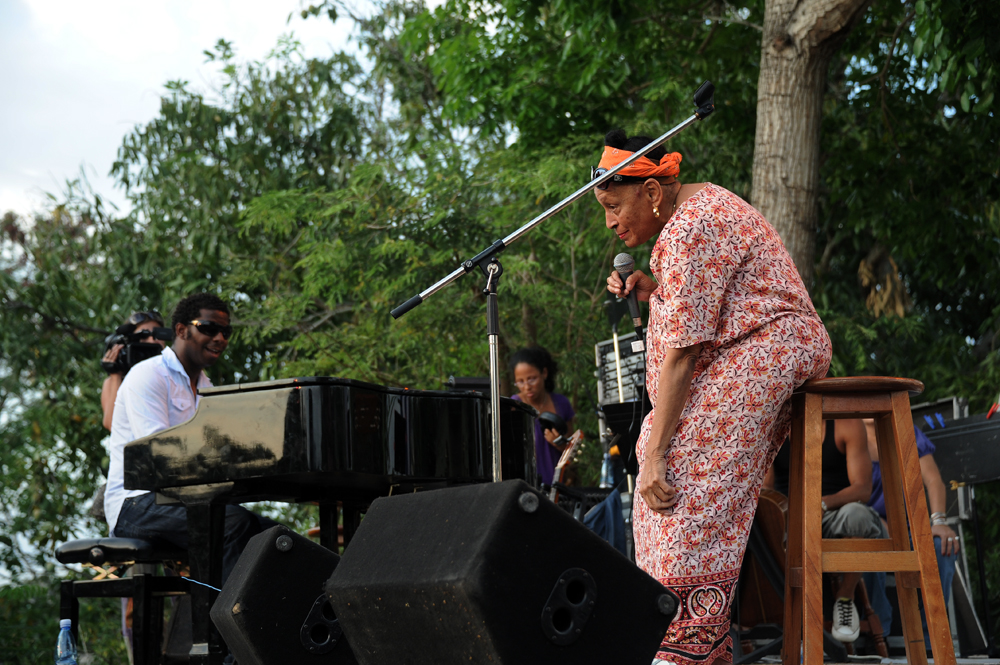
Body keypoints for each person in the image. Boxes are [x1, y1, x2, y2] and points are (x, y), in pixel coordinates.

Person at [599, 129, 831, 665]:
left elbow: (683, 354)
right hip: (753, 343)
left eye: (613, 207)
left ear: (651, 192)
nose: (610, 222)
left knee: (682, 463)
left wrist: (657, 452)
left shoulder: (691, 227)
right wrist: (657, 293)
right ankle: (682, 639)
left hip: (774, 344)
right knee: (659, 451)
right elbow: (720, 302)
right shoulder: (690, 216)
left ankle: (686, 642)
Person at [104, 292, 277, 584]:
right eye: (209, 328)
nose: (220, 338)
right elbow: (160, 456)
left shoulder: (208, 389)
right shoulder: (148, 375)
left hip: (188, 500)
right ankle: (226, 614)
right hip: (135, 504)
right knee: (234, 524)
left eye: (226, 332)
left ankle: (261, 613)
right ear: (181, 330)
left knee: (273, 536)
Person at [765, 418, 885, 643]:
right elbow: (765, 488)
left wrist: (820, 504)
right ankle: (746, 617)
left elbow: (862, 488)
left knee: (859, 515)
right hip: (788, 516)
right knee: (755, 523)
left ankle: (845, 598)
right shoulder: (772, 425)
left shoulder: (847, 424)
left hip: (834, 513)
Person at [861, 419, 958, 645]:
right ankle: (877, 634)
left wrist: (939, 521)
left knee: (942, 545)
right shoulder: (846, 432)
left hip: (911, 529)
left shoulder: (904, 429)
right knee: (865, 542)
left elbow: (933, 480)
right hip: (869, 528)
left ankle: (930, 638)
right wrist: (877, 523)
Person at [509, 347, 576, 486]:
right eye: (520, 381)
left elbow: (571, 449)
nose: (527, 387)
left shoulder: (561, 403)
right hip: (527, 486)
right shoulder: (514, 406)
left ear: (544, 373)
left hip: (558, 485)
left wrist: (559, 443)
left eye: (532, 379)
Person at [100, 311, 169, 431]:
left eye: (157, 335)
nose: (152, 340)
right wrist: (116, 376)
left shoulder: (175, 374)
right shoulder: (113, 381)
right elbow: (112, 424)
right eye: (144, 335)